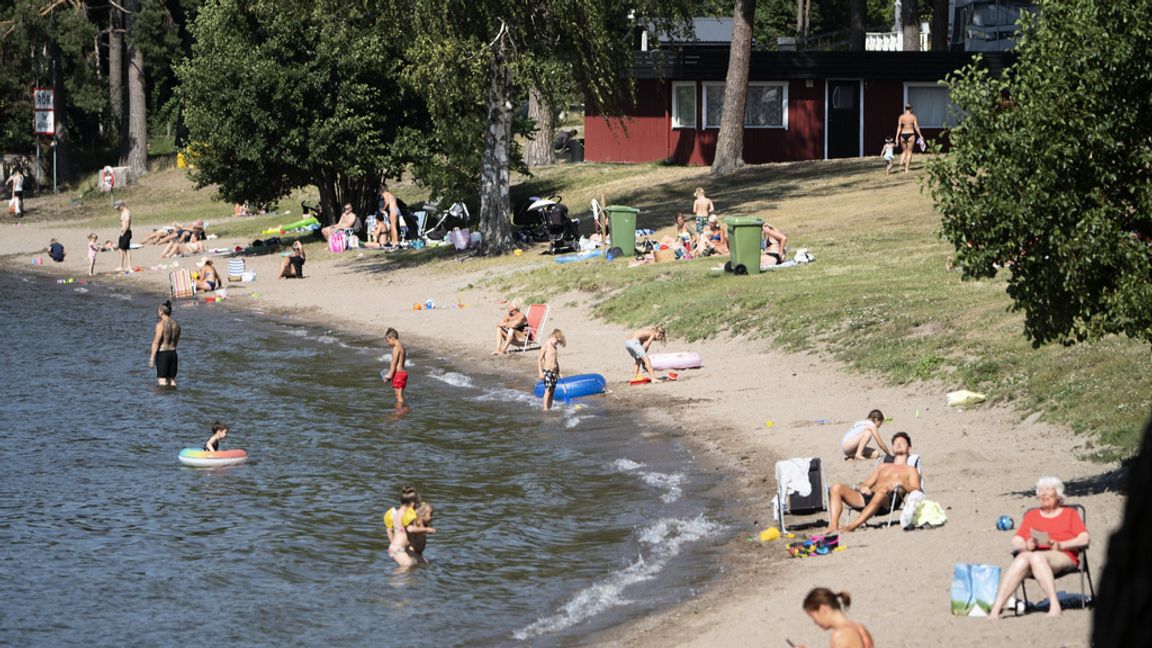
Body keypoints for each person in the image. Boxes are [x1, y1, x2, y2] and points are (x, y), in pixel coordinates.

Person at [987, 476, 1091, 618]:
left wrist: (1061, 545)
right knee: (1022, 558)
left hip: (1063, 554)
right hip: (1034, 556)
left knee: (1035, 557)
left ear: (1058, 494)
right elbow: (1015, 541)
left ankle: (1054, 605)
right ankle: (996, 608)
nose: (1044, 494)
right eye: (1041, 491)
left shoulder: (1069, 514)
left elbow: (1084, 538)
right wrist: (1026, 545)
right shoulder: (1032, 515)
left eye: (1048, 490)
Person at [828, 432, 921, 532]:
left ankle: (852, 526)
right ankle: (833, 525)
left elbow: (917, 490)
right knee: (836, 487)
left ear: (909, 448)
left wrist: (903, 484)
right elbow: (866, 484)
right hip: (868, 497)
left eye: (902, 443)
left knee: (880, 493)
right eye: (896, 443)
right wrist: (864, 487)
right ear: (893, 449)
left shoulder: (911, 470)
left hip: (886, 501)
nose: (898, 444)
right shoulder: (882, 466)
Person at [794, 588, 874, 648]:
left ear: (823, 610)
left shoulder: (839, 635)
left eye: (813, 617)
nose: (815, 622)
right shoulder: (859, 627)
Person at [148, 299, 181, 387]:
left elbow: (156, 342)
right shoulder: (177, 325)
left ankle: (164, 400)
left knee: (162, 382)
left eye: (158, 310)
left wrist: (152, 358)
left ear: (162, 312)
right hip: (173, 354)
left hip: (163, 354)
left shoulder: (160, 324)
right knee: (173, 381)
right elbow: (176, 342)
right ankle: (174, 398)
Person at [537, 328, 566, 411]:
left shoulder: (554, 348)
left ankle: (549, 407)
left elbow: (556, 362)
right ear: (553, 336)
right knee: (548, 390)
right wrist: (540, 371)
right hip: (547, 372)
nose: (557, 343)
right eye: (557, 341)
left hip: (554, 372)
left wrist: (559, 372)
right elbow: (539, 359)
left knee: (552, 391)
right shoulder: (545, 345)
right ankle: (545, 408)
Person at [895, 104, 924, 174]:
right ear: (911, 109)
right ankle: (906, 169)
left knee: (904, 151)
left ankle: (901, 163)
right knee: (909, 151)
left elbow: (899, 127)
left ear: (905, 109)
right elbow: (916, 127)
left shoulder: (901, 117)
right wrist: (920, 135)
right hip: (911, 133)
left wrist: (896, 137)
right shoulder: (913, 117)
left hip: (903, 134)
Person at [383, 327, 408, 408]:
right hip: (403, 373)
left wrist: (389, 375)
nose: (388, 343)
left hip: (399, 374)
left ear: (392, 338)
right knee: (399, 395)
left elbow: (394, 363)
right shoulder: (402, 347)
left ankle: (402, 411)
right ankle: (402, 410)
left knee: (398, 396)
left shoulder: (396, 348)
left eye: (388, 340)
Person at [114, 200, 132, 271]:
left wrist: (122, 233)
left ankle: (121, 266)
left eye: (118, 207)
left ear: (122, 205)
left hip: (126, 232)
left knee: (121, 249)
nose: (118, 209)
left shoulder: (126, 212)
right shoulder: (124, 212)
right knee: (126, 249)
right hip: (126, 232)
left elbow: (127, 224)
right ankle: (129, 266)